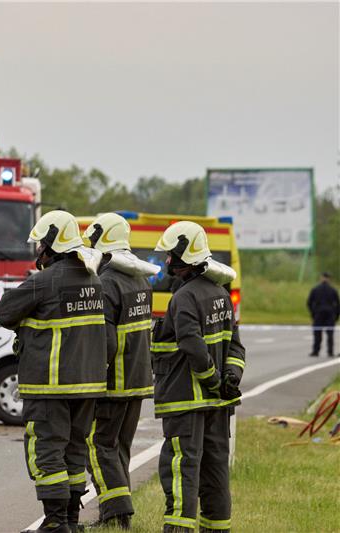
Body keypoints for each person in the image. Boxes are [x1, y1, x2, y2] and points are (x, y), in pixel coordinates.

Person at [0, 210, 107, 533]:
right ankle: (71, 519)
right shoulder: (94, 280)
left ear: (52, 244)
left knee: (45, 448)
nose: (37, 252)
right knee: (74, 448)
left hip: (50, 385)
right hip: (87, 386)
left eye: (40, 245)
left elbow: (5, 312)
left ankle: (56, 520)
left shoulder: (44, 282)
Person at [151, 221, 246, 533]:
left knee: (182, 467)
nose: (166, 262)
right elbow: (235, 344)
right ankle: (217, 529)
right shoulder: (220, 293)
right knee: (215, 470)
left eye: (170, 255)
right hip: (218, 404)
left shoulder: (184, 298)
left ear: (184, 256)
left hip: (186, 400)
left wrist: (213, 380)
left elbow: (193, 345)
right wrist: (230, 377)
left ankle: (178, 528)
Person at [81, 213, 160, 530]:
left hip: (113, 383)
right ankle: (114, 512)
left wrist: (93, 381)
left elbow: (107, 342)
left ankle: (116, 514)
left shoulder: (107, 281)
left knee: (99, 446)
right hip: (138, 380)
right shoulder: (138, 278)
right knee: (118, 449)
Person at [307, 272, 339, 357]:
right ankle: (330, 351)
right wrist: (336, 315)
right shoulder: (333, 290)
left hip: (319, 313)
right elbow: (337, 304)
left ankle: (316, 351)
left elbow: (309, 303)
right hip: (330, 313)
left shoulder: (315, 289)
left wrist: (313, 313)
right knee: (330, 333)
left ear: (321, 278)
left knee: (317, 332)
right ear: (329, 279)